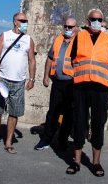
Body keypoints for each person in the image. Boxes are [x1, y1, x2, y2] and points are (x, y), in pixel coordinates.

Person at [66, 9, 108, 177]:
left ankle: (96, 162)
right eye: (93, 19)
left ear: (102, 21)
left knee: (97, 124)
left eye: (98, 19)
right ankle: (77, 161)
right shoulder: (79, 36)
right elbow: (73, 59)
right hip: (81, 86)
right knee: (79, 123)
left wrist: (101, 75)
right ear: (87, 21)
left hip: (100, 88)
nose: (96, 21)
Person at [0, 12, 36, 155]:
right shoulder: (5, 36)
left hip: (19, 81)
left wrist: (32, 79)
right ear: (15, 21)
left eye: (26, 20)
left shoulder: (28, 39)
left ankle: (8, 142)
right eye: (22, 20)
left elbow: (32, 60)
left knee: (14, 113)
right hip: (3, 80)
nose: (25, 22)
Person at [35, 17, 78, 151]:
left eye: (70, 27)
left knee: (68, 114)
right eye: (65, 26)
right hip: (57, 82)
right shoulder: (58, 39)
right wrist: (46, 76)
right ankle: (46, 139)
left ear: (76, 28)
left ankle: (62, 140)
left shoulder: (80, 41)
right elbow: (50, 58)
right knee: (53, 112)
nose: (67, 29)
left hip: (71, 83)